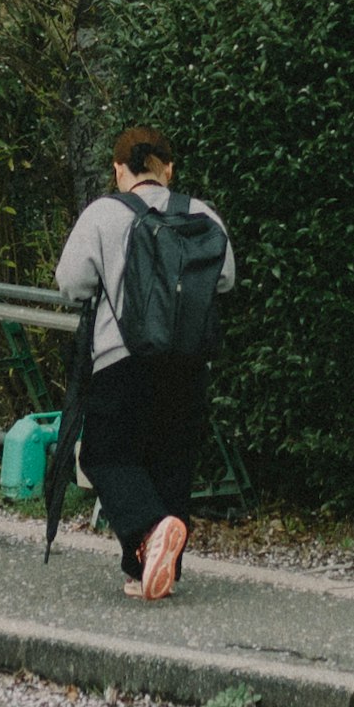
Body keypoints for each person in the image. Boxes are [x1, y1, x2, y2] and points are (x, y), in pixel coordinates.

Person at [51, 126, 236, 601]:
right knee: (171, 459)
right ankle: (154, 573)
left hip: (122, 360)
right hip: (187, 362)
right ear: (168, 169)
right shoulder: (202, 213)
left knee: (105, 454)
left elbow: (71, 282)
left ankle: (151, 532)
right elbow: (226, 278)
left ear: (118, 170)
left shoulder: (104, 214)